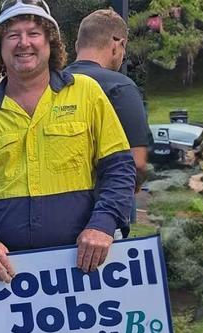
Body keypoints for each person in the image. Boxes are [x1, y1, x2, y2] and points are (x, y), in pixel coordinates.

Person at [0, 0, 136, 283]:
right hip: (3, 275)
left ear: (50, 41)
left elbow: (119, 168)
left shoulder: (86, 93)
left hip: (83, 270)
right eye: (13, 35)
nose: (24, 43)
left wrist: (103, 225)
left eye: (33, 32)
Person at [64, 8, 151, 223]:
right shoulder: (119, 87)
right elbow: (137, 162)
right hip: (103, 221)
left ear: (77, 46)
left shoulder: (49, 85)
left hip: (55, 219)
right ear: (117, 44)